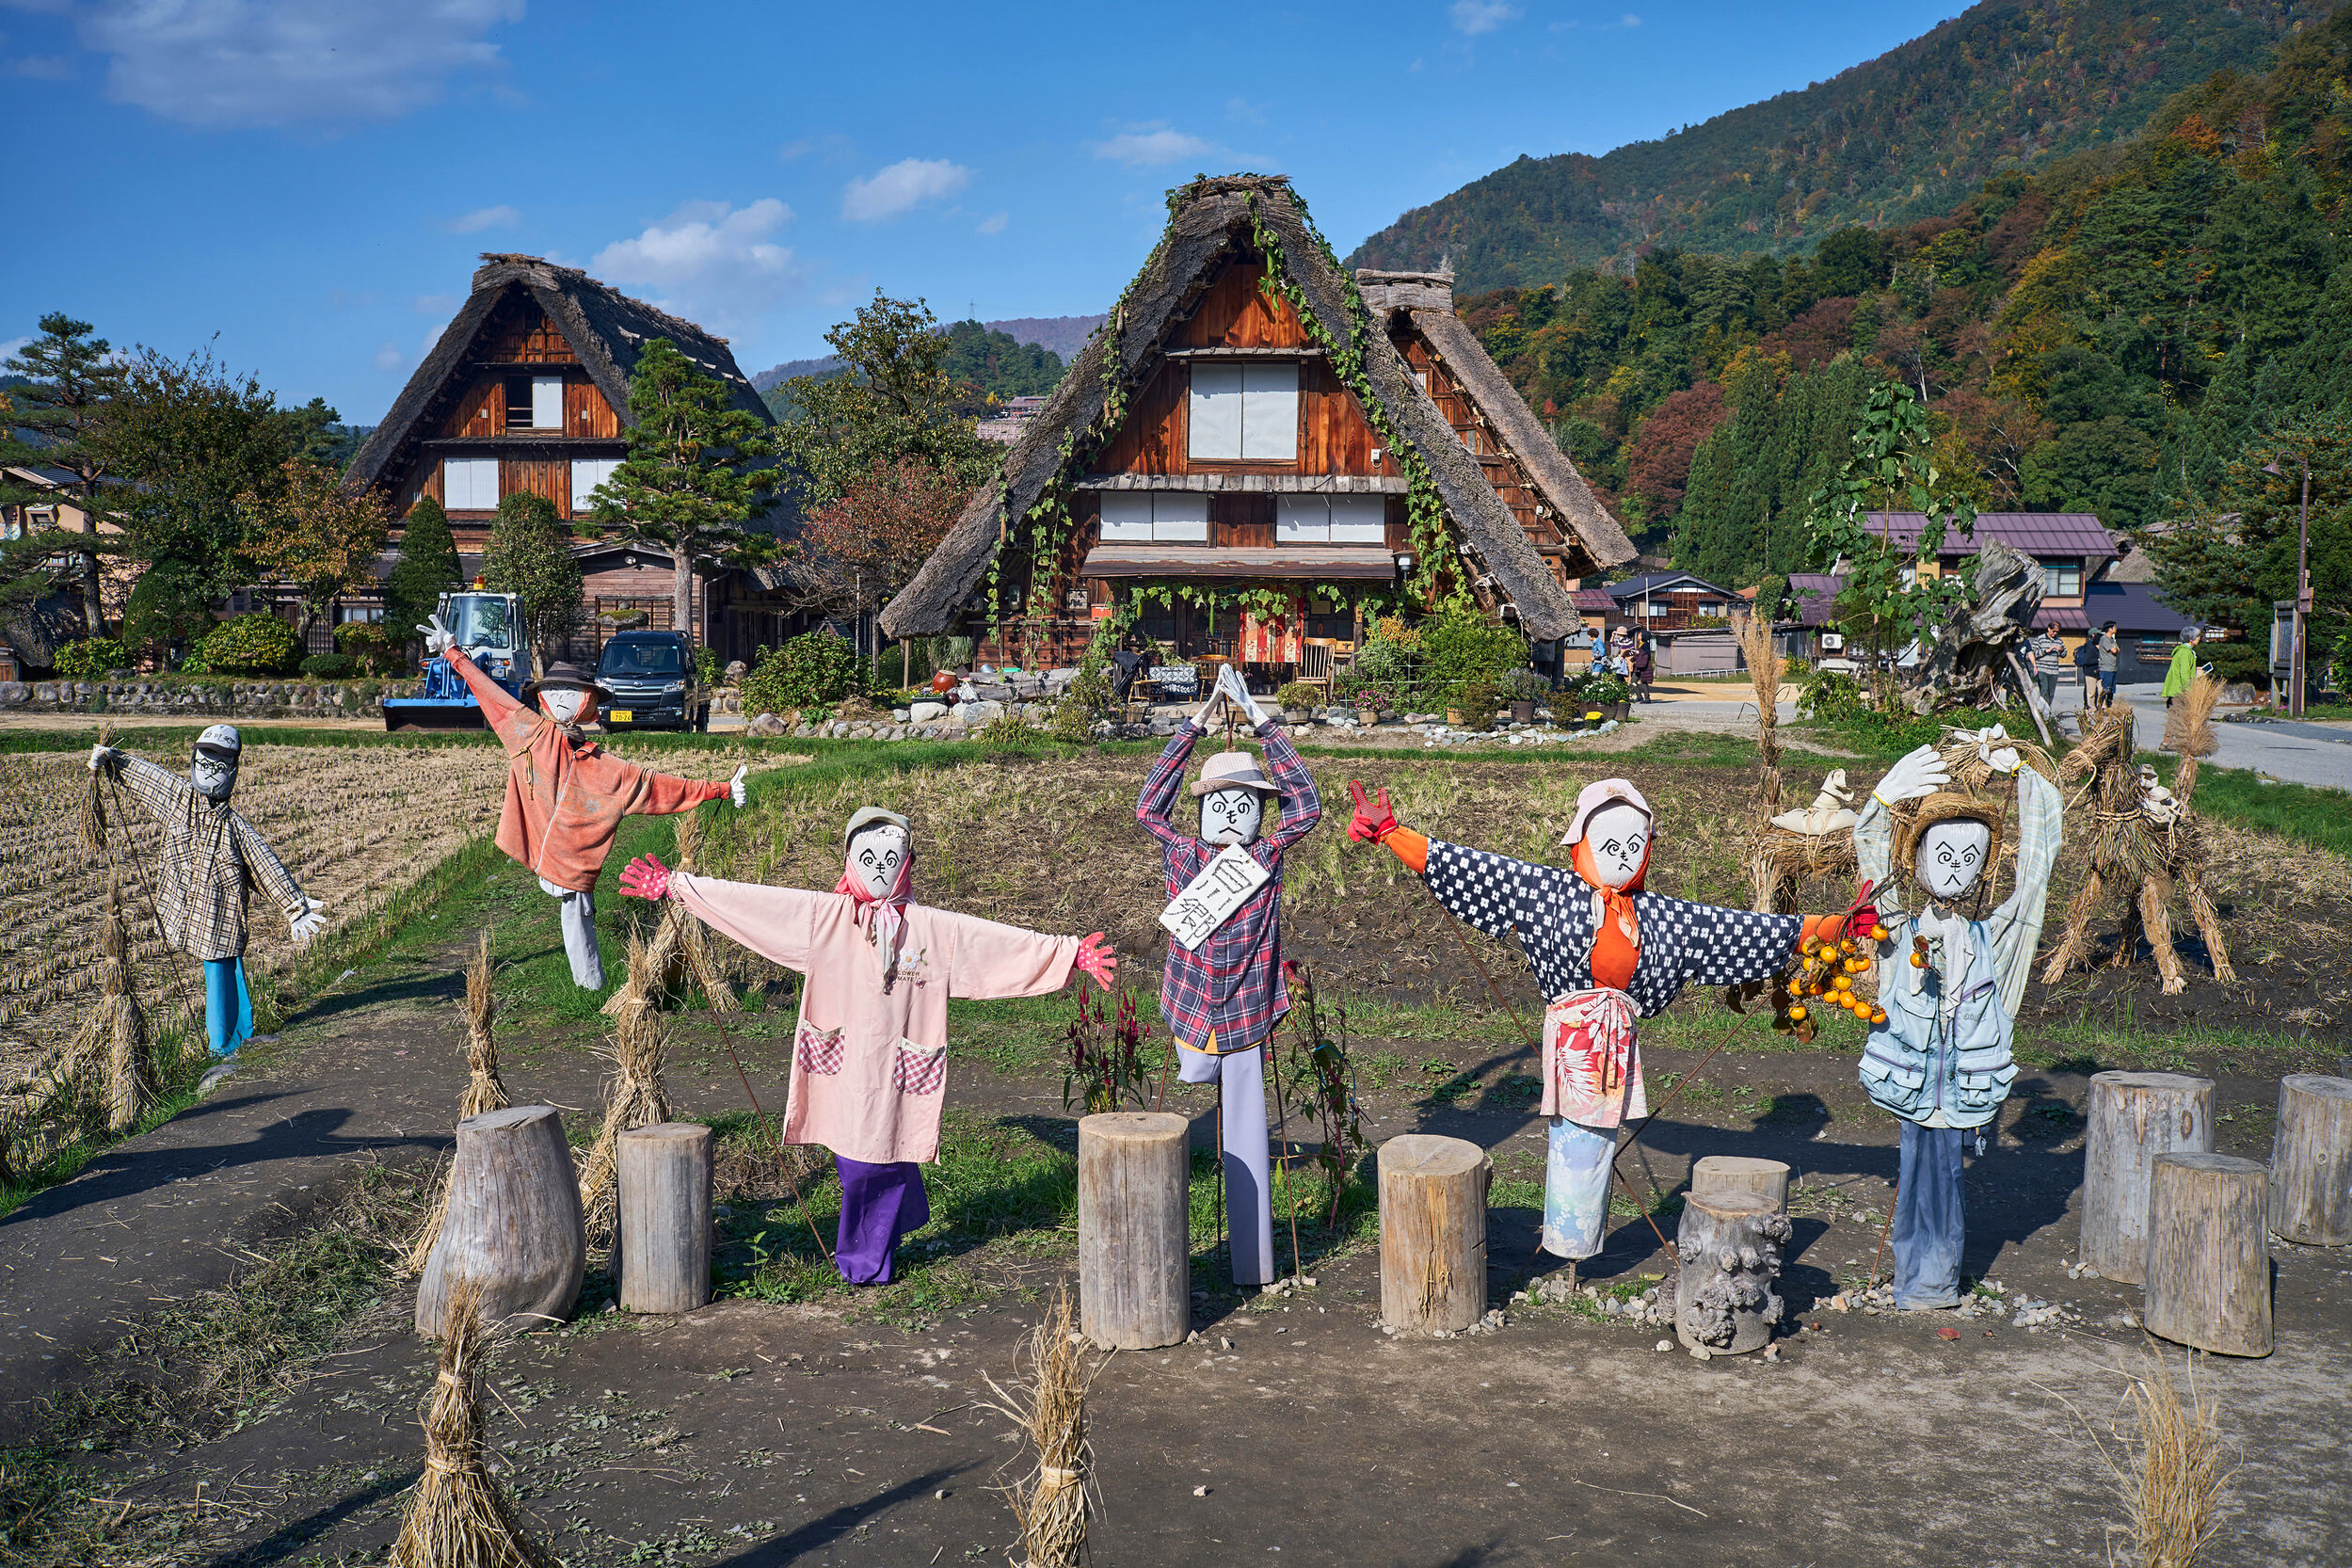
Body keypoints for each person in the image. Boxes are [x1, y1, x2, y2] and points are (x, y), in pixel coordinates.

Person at [1346, 776, 1876, 1282]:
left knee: (1593, 1140)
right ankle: (1568, 1242)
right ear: (1582, 843)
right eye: (1609, 844)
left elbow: (1739, 931)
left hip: (1617, 1038)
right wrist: (1394, 834)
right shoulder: (1548, 894)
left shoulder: (1661, 916)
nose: (1622, 857)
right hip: (1577, 1038)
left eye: (1633, 845)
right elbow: (1472, 869)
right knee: (1580, 1141)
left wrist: (1830, 926)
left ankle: (1569, 1241)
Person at [619, 814, 1115, 1284]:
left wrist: (1067, 953)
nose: (880, 870)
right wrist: (681, 888)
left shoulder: (933, 931)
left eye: (891, 860)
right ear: (850, 860)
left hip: (901, 1060)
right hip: (842, 1058)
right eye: (869, 859)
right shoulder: (826, 917)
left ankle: (863, 1263)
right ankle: (900, 1215)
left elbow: (995, 946)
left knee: (872, 1155)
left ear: (908, 865)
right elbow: (757, 904)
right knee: (859, 1151)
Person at [421, 613, 747, 989]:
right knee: (575, 911)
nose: (563, 700)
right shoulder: (528, 734)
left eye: (570, 693)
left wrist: (718, 788)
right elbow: (492, 696)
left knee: (577, 911)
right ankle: (589, 986)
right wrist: (453, 654)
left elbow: (657, 786)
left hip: (574, 864)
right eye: (558, 693)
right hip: (550, 853)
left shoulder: (601, 766)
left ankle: (589, 986)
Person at [1854, 737, 2061, 1309]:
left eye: (1969, 859)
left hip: (1963, 1089)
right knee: (1915, 1174)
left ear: (1984, 866)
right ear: (1919, 860)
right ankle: (1914, 1281)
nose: (1955, 869)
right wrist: (1881, 799)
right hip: (1912, 1084)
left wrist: (2023, 776)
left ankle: (1934, 1283)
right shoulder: (1898, 929)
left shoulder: (1994, 938)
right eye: (1943, 856)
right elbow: (1870, 861)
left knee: (1945, 1181)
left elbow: (2039, 870)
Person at [1137, 664, 1321, 1287]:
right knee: (1169, 1123)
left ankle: (1253, 1267)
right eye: (1221, 804)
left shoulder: (1266, 856)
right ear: (1202, 810)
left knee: (1246, 1134)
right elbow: (1148, 805)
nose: (1233, 814)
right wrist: (1194, 723)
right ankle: (1154, 1257)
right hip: (1187, 1008)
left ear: (1259, 817)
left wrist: (1263, 722)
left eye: (1246, 806)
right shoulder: (1182, 852)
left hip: (1247, 1014)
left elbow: (1307, 805)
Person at [88, 727, 328, 1055]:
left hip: (221, 915)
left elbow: (264, 864)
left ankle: (225, 1047)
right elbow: (149, 779)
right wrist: (113, 760)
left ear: (232, 769)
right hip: (182, 904)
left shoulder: (234, 827)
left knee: (222, 965)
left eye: (220, 763)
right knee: (223, 968)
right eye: (206, 760)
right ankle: (236, 1037)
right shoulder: (178, 801)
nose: (211, 770)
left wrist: (294, 907)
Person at [2029, 628, 2070, 711]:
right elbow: (2033, 653)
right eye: (2053, 631)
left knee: (2051, 693)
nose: (2055, 633)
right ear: (2049, 628)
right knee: (2044, 691)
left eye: (2057, 632)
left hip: (2054, 670)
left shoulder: (2059, 640)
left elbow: (2064, 654)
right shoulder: (2040, 639)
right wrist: (2047, 650)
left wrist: (2061, 651)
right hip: (2042, 669)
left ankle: (2047, 709)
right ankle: (2044, 711)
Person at [2162, 626, 2201, 707]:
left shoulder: (2183, 651)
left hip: (2175, 690)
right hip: (2179, 692)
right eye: (2197, 636)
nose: (2199, 638)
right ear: (2191, 639)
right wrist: (2188, 691)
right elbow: (2184, 673)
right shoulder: (2186, 652)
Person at [2096, 620, 2120, 702]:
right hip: (2106, 668)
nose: (2116, 628)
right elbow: (2114, 650)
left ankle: (2109, 708)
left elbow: (2118, 650)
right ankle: (2100, 707)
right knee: (2106, 689)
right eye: (2114, 627)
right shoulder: (2105, 639)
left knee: (2111, 690)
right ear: (2110, 629)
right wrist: (2115, 649)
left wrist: (2115, 649)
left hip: (2113, 667)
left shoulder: (2112, 639)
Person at [1630, 635, 1655, 703]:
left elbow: (1646, 655)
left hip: (1644, 666)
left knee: (1644, 682)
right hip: (1638, 667)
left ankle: (1647, 698)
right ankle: (1639, 696)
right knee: (1633, 681)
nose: (1638, 636)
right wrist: (1633, 658)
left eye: (1640, 634)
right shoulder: (1639, 644)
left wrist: (1638, 653)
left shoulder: (1645, 645)